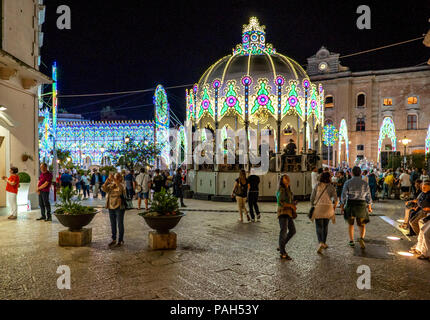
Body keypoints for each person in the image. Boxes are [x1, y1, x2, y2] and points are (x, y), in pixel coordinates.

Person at [340, 166, 372, 249]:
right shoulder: (365, 183)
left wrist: (342, 206)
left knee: (350, 224)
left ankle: (351, 241)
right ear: (360, 173)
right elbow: (368, 196)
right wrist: (369, 206)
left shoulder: (348, 182)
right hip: (361, 204)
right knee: (362, 224)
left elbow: (343, 195)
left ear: (352, 173)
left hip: (351, 204)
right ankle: (361, 238)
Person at [310, 171, 338, 254]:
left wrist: (312, 205)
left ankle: (320, 243)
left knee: (319, 226)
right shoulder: (331, 187)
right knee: (325, 226)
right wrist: (334, 207)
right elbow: (336, 199)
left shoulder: (317, 186)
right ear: (329, 178)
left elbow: (312, 197)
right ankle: (324, 243)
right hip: (328, 208)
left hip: (318, 207)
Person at [102, 173, 126, 248]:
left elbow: (120, 190)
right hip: (110, 206)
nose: (115, 178)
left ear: (120, 178)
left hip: (119, 206)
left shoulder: (122, 185)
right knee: (113, 223)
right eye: (115, 177)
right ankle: (114, 239)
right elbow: (104, 189)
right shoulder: (112, 185)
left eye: (117, 177)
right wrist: (107, 181)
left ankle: (120, 240)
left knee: (120, 224)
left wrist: (114, 179)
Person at [276, 174, 297, 260]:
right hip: (283, 212)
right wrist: (291, 206)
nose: (287, 179)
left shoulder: (288, 188)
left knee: (292, 230)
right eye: (285, 178)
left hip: (289, 213)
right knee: (283, 231)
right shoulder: (281, 189)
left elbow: (289, 200)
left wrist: (293, 203)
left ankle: (281, 246)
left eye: (288, 178)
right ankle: (282, 253)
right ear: (282, 180)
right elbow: (280, 203)